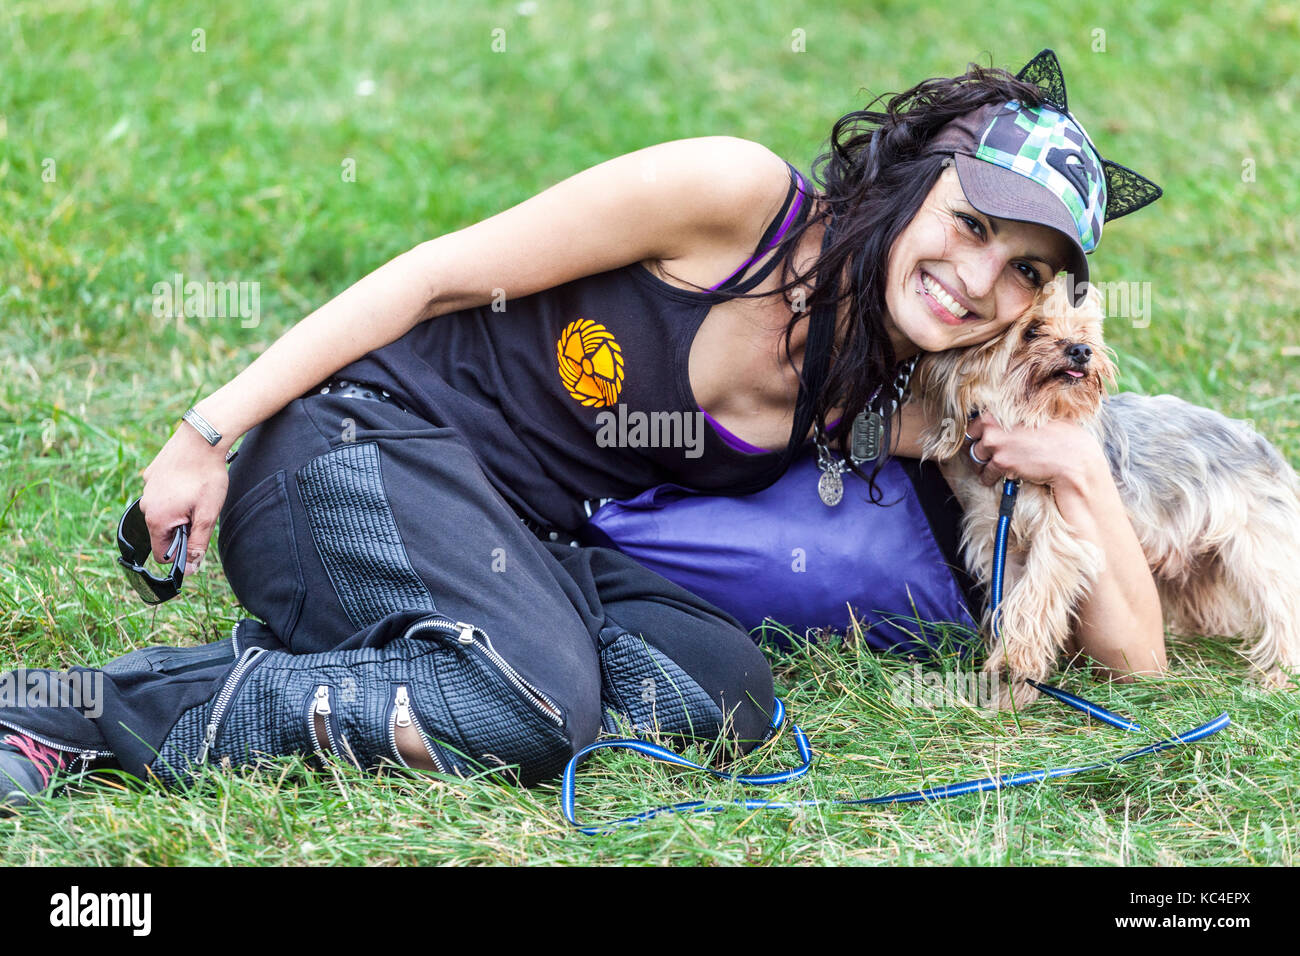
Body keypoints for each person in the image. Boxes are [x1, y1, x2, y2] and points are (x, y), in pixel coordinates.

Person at [0, 50, 1166, 809]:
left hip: (514, 536)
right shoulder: (735, 201)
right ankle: (78, 708)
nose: (976, 280)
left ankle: (398, 665)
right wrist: (208, 429)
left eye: (1024, 271)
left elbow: (1137, 661)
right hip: (353, 445)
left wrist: (1078, 467)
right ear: (916, 181)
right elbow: (431, 277)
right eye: (967, 226)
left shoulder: (898, 388)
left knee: (720, 690)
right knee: (534, 703)